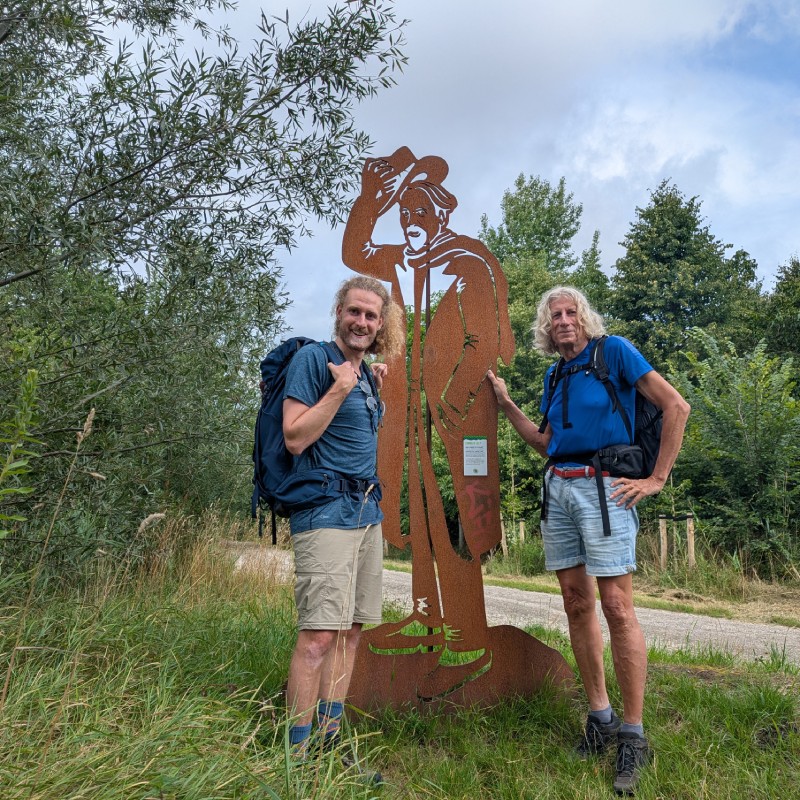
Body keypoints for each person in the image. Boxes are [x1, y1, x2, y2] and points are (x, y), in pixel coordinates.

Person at [488, 286, 690, 796]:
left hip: (608, 490)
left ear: (585, 318)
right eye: (553, 315)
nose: (562, 320)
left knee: (618, 607)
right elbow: (545, 442)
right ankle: (599, 718)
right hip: (559, 489)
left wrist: (657, 479)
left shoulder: (614, 351)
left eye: (570, 312)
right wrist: (508, 404)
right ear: (545, 327)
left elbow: (676, 406)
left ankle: (633, 734)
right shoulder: (554, 376)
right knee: (577, 603)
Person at [342, 147, 516, 701]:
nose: (411, 223)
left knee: (456, 518)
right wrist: (372, 198)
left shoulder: (467, 262)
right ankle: (425, 617)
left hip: (457, 416)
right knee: (416, 511)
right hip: (412, 415)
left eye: (421, 214)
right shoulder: (400, 262)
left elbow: (483, 338)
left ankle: (468, 640)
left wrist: (451, 395)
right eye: (405, 215)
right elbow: (355, 250)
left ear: (441, 216)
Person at [282, 275, 402, 773]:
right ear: (339, 312)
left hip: (366, 514)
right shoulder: (314, 361)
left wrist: (361, 382)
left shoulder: (366, 374)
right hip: (325, 514)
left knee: (351, 632)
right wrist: (339, 389)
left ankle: (329, 742)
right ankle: (296, 755)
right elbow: (294, 437)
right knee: (318, 636)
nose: (362, 322)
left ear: (381, 325)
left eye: (372, 316)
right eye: (355, 311)